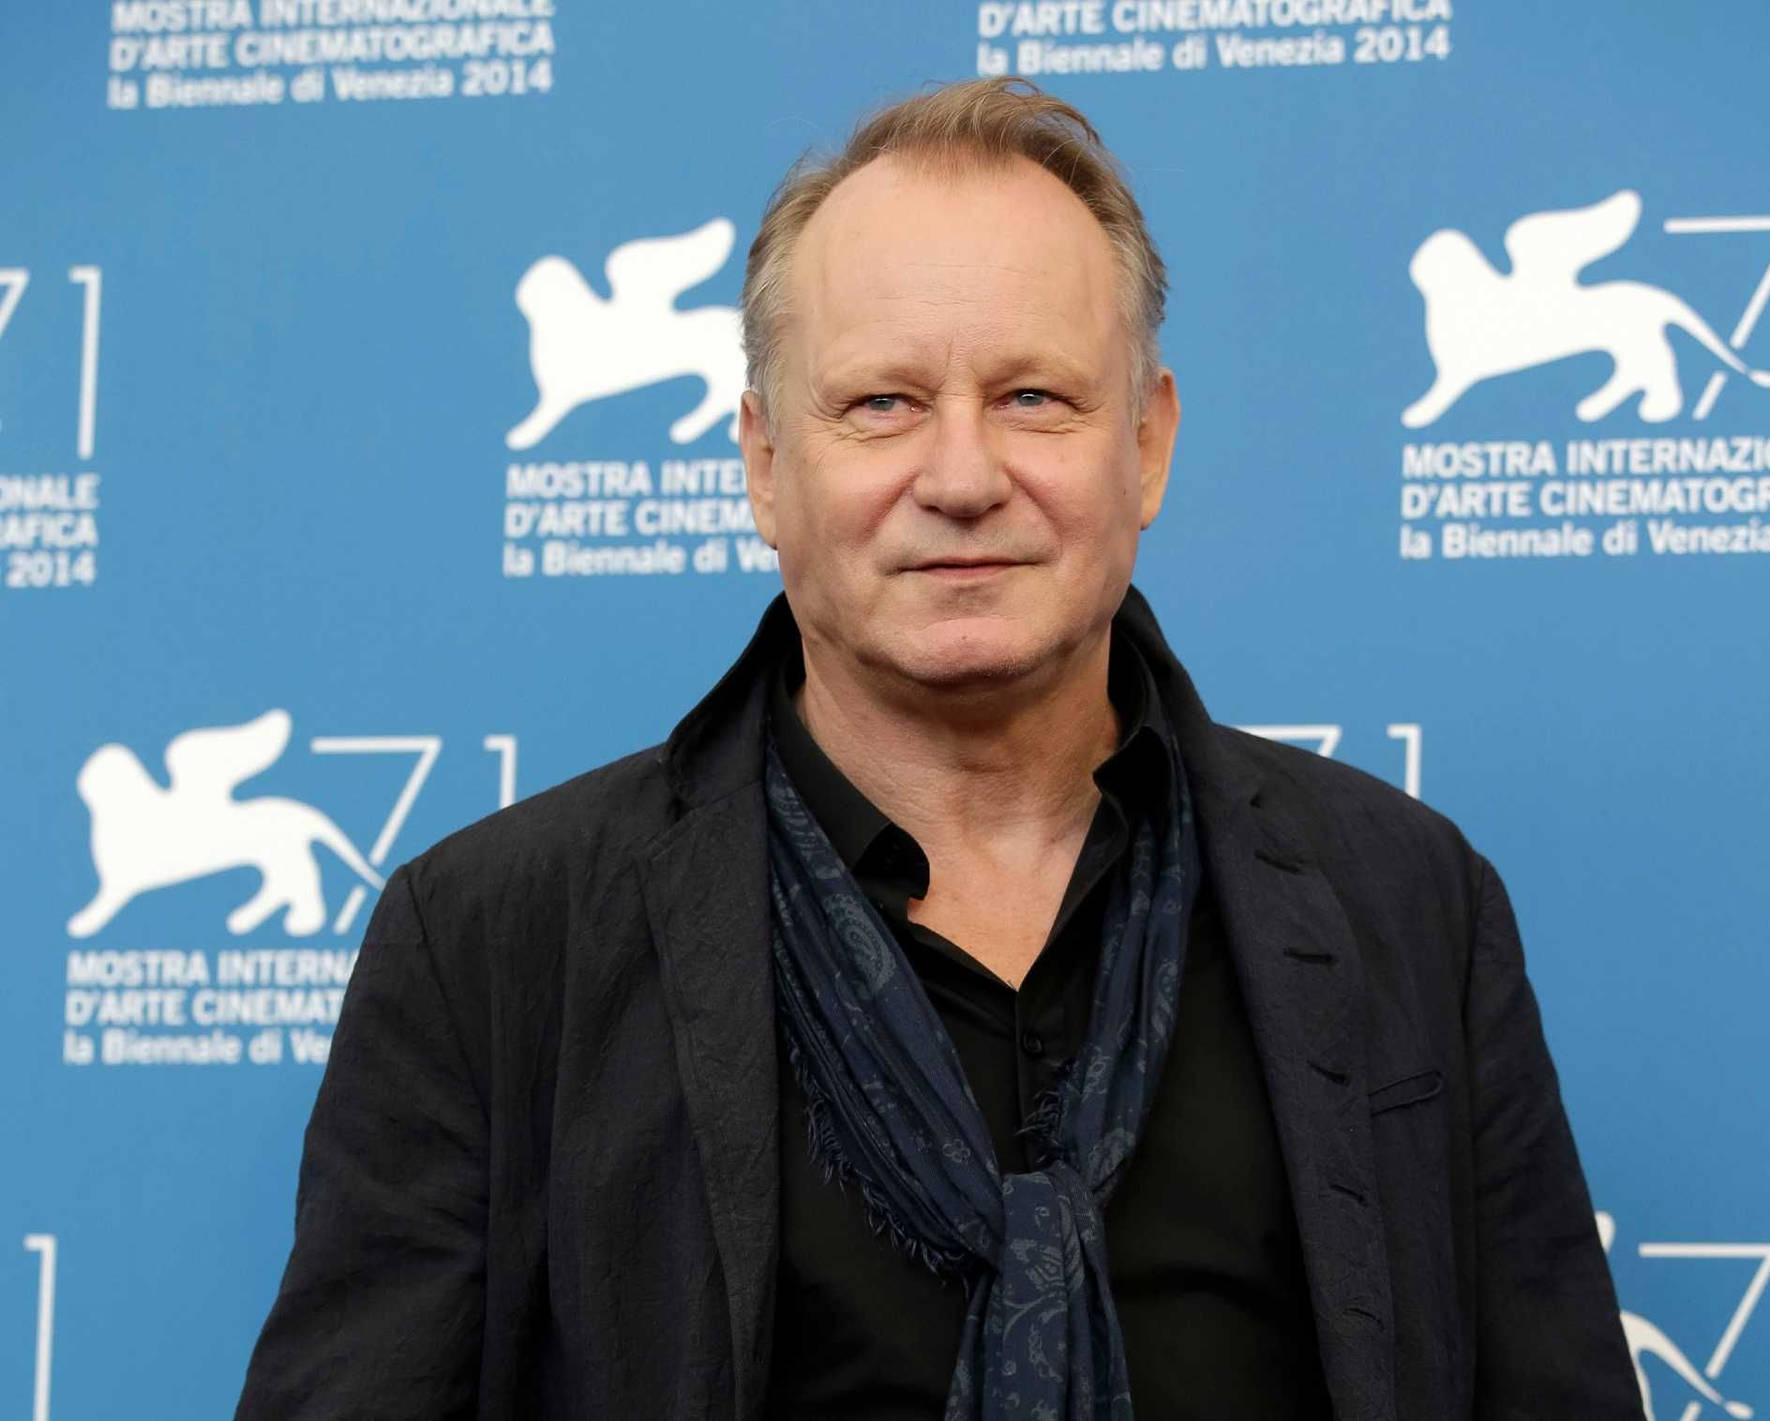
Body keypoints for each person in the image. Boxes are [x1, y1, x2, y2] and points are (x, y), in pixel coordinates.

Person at [237, 77, 1642, 1419]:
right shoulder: (490, 943)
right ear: (765, 464)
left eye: (1035, 396)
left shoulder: (1408, 903)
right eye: (880, 404)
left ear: (1145, 447)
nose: (962, 477)